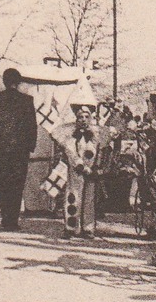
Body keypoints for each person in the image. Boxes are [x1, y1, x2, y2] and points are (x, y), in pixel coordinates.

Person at [50, 88, 118, 239]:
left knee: (89, 199)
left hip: (91, 169)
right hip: (76, 170)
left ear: (91, 117)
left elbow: (98, 147)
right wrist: (80, 165)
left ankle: (88, 227)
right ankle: (71, 226)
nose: (83, 120)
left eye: (86, 116)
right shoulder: (70, 134)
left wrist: (92, 166)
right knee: (73, 196)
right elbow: (70, 150)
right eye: (80, 117)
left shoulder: (96, 133)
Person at [0, 68, 37, 231]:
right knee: (17, 184)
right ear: (18, 82)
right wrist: (30, 146)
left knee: (1, 184)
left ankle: (5, 217)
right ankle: (13, 219)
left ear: (4, 81)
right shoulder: (27, 100)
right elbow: (32, 126)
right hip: (20, 152)